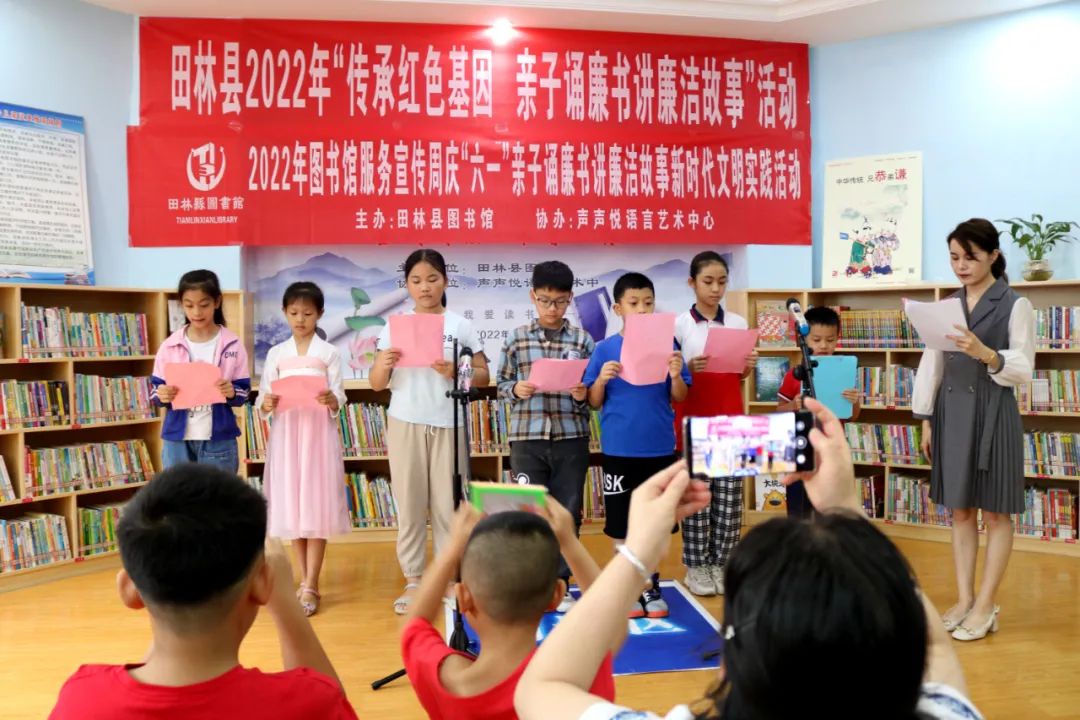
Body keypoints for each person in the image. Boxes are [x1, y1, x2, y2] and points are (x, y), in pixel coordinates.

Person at [514, 398, 984, 720]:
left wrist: (636, 552)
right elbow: (935, 648)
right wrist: (846, 510)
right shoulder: (945, 712)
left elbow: (541, 686)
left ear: (732, 660)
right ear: (897, 651)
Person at [49, 463, 358, 719]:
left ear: (128, 589)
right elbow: (330, 700)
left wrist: (162, 579)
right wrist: (286, 603)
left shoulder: (80, 701)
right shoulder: (307, 703)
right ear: (264, 584)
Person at [913, 218, 1035, 641]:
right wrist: (926, 419)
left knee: (997, 512)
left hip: (994, 411)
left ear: (993, 256)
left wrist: (986, 353)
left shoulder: (1015, 304)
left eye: (970, 257)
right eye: (954, 258)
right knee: (960, 510)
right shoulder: (946, 305)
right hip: (951, 411)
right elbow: (932, 364)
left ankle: (986, 604)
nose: (961, 266)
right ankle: (965, 599)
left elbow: (1024, 368)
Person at [401, 497, 617, 720]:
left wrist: (452, 549)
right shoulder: (577, 679)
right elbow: (609, 617)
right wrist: (569, 542)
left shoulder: (450, 681)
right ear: (557, 594)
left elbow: (414, 626)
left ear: (463, 598)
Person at [371, 249, 490, 615]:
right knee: (409, 503)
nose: (425, 287)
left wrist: (456, 371)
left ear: (446, 281)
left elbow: (483, 377)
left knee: (448, 505)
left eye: (433, 279)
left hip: (449, 421)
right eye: (417, 281)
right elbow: (376, 384)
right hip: (405, 420)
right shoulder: (393, 326)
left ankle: (449, 577)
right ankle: (413, 580)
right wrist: (384, 363)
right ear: (407, 285)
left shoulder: (460, 325)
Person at [583, 272, 690, 618]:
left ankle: (650, 585)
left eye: (648, 302)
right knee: (621, 524)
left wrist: (676, 375)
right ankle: (626, 588)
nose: (642, 309)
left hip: (659, 449)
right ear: (618, 308)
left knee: (655, 523)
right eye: (634, 303)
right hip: (619, 450)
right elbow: (593, 402)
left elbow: (680, 396)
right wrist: (601, 380)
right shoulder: (604, 348)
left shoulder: (670, 344)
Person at [497, 260, 595, 612]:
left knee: (567, 513)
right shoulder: (516, 338)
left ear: (570, 298)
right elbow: (501, 385)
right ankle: (532, 584)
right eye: (544, 301)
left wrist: (583, 394)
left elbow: (593, 394)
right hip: (527, 437)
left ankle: (561, 583)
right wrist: (515, 389)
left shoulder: (583, 340)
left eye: (560, 302)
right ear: (532, 296)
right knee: (530, 513)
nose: (552, 309)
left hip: (571, 437)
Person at [259, 282, 352, 616]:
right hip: (287, 436)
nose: (300, 319)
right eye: (294, 313)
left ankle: (311, 582)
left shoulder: (328, 353)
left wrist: (331, 399)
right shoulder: (276, 354)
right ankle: (303, 580)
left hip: (317, 436)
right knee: (294, 508)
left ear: (320, 314)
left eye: (308, 313)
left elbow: (339, 396)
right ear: (285, 312)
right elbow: (263, 399)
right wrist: (267, 403)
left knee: (316, 506)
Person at [674, 251, 757, 597]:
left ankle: (723, 563)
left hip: (730, 417)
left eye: (722, 282)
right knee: (698, 497)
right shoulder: (679, 324)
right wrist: (689, 367)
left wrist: (748, 365)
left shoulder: (737, 322)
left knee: (728, 499)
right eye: (707, 281)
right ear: (692, 283)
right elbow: (670, 375)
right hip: (693, 418)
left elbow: (740, 375)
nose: (715, 289)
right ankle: (696, 566)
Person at [152, 269, 250, 473]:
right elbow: (155, 390)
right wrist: (162, 394)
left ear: (217, 302)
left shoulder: (232, 344)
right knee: (178, 492)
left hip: (219, 438)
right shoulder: (170, 345)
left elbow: (244, 392)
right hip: (177, 440)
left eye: (204, 305)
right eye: (189, 305)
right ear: (182, 305)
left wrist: (232, 392)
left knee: (218, 492)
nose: (196, 312)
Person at [777, 305, 862, 519]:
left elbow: (852, 416)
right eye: (816, 340)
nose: (824, 345)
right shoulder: (793, 375)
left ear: (837, 339)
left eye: (830, 340)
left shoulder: (843, 372)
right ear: (803, 339)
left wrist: (854, 402)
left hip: (831, 448)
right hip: (800, 448)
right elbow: (779, 411)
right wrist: (793, 406)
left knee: (832, 510)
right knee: (799, 509)